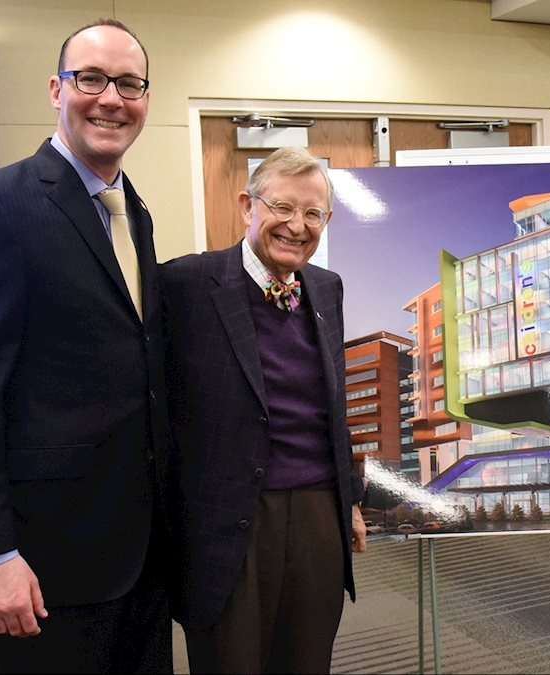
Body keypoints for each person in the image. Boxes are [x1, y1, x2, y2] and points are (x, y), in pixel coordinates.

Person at [0, 19, 171, 673]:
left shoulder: (135, 212)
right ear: (56, 89)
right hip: (48, 566)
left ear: (146, 98)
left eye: (129, 83)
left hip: (142, 558)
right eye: (90, 78)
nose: (111, 98)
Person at [161, 146, 367, 673]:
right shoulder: (184, 285)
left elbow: (334, 403)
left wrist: (349, 499)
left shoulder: (326, 288)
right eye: (282, 207)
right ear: (246, 206)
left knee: (307, 660)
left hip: (320, 511)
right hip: (232, 518)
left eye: (313, 213)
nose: (297, 226)